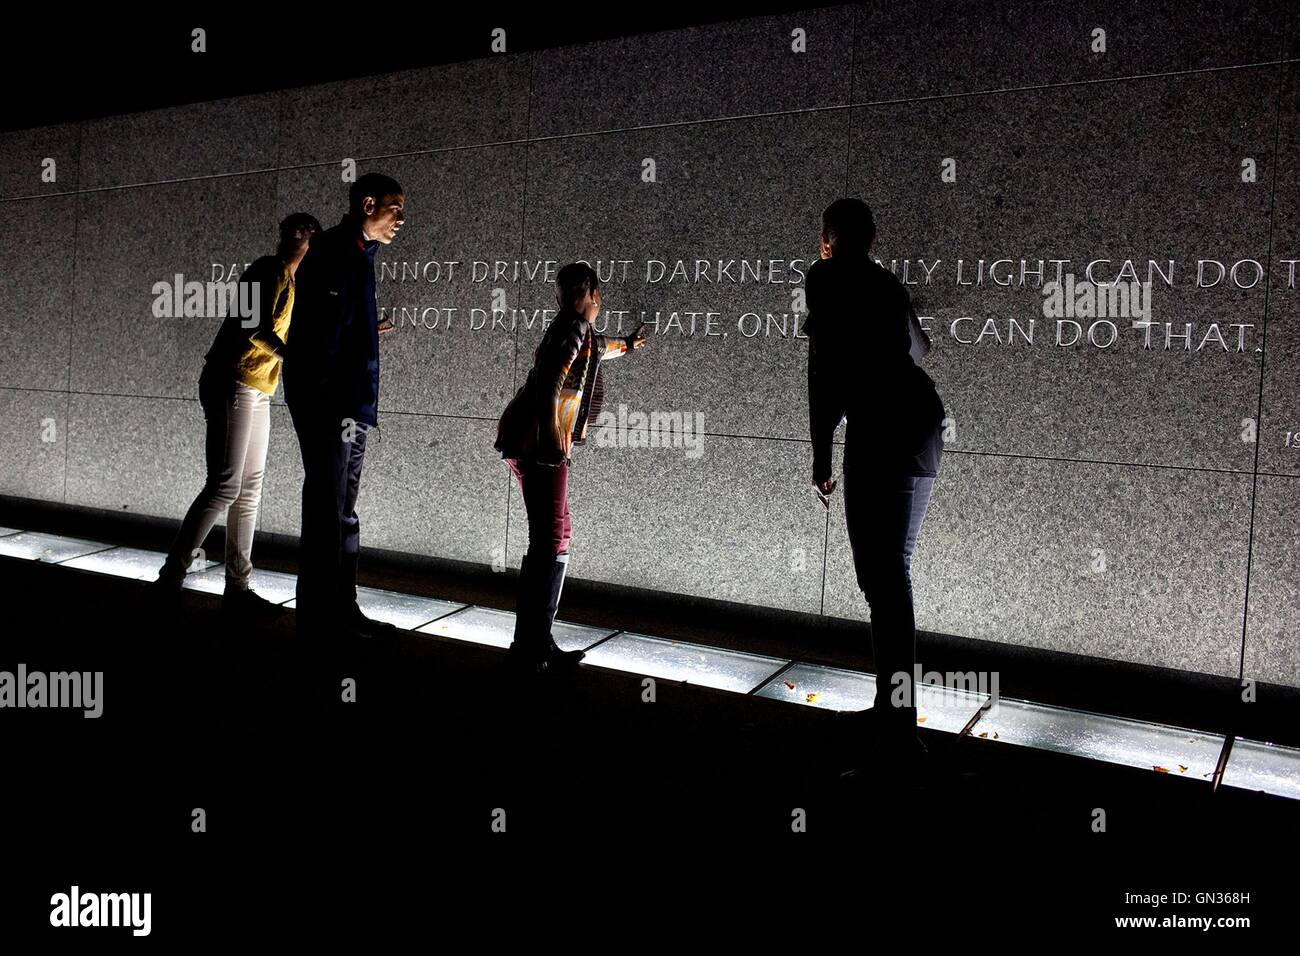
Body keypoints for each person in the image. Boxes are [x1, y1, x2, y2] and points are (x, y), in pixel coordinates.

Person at [804, 198, 946, 772]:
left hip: (880, 430)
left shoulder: (825, 276)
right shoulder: (887, 285)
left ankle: (898, 729)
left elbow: (824, 369)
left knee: (882, 580)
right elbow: (922, 349)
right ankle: (896, 717)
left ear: (830, 238)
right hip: (918, 423)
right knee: (893, 578)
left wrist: (820, 451)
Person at [153, 213, 322, 617]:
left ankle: (238, 586)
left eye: (301, 234)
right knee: (226, 485)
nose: (296, 240)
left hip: (256, 387)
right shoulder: (267, 270)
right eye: (294, 233)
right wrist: (291, 357)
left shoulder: (292, 280)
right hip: (233, 381)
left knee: (247, 489)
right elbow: (253, 327)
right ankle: (170, 578)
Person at [494, 263, 647, 673]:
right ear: (592, 294)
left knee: (555, 536)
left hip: (535, 443)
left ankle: (536, 640)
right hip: (540, 445)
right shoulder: (572, 328)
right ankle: (531, 645)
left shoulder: (576, 329)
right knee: (549, 540)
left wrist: (629, 345)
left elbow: (597, 350)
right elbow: (548, 383)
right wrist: (550, 444)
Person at [282, 173, 404, 643]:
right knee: (326, 510)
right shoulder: (334, 251)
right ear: (368, 203)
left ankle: (341, 608)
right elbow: (317, 339)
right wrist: (331, 402)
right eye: (395, 208)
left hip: (351, 407)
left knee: (342, 511)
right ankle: (318, 618)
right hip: (331, 405)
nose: (400, 220)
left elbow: (339, 327)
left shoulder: (358, 256)